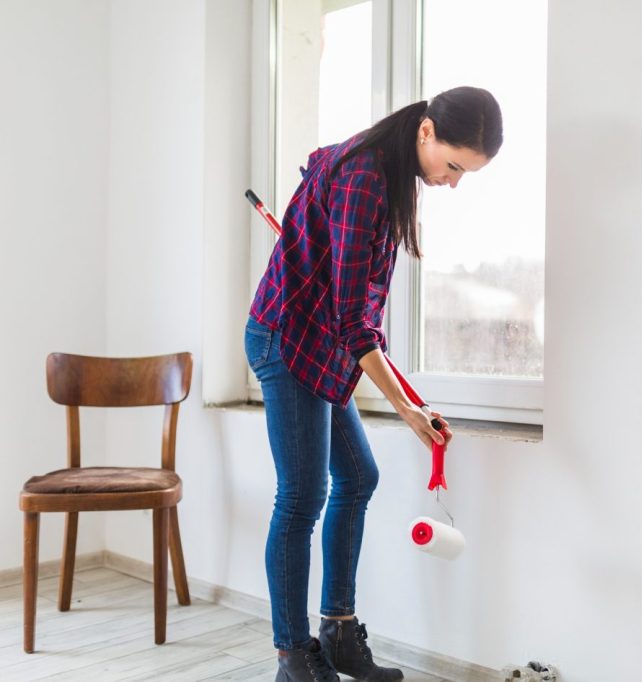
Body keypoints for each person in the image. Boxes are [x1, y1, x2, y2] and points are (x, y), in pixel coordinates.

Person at [244, 87, 503, 682]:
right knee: (300, 499)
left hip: (323, 345)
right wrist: (409, 411)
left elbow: (352, 307)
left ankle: (337, 632)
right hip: (288, 340)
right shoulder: (365, 175)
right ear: (427, 131)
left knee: (359, 476)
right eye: (455, 165)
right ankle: (293, 656)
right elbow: (351, 320)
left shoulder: (389, 168)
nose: (454, 182)